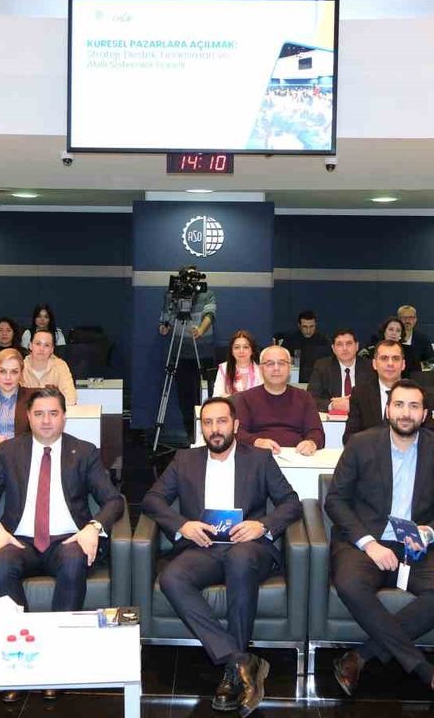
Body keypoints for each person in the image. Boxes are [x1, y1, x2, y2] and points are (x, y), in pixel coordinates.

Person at [142, 397, 302, 716]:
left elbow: (291, 502)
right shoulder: (185, 459)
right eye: (208, 423)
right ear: (201, 428)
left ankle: (232, 674)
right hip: (205, 547)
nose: (215, 429)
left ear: (235, 425)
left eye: (222, 421)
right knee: (172, 577)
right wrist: (183, 525)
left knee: (239, 560)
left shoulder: (259, 459)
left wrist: (262, 525)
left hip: (249, 547)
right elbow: (152, 499)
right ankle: (239, 660)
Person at [324, 380, 434, 717]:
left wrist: (429, 532)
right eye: (399, 405)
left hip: (415, 545)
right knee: (349, 583)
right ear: (388, 409)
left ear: (425, 413)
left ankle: (360, 656)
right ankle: (431, 676)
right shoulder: (361, 443)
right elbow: (336, 501)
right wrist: (368, 543)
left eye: (414, 406)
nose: (406, 413)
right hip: (366, 543)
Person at [0, 386, 124, 703]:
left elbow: (113, 500)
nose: (46, 420)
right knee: (1, 561)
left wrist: (93, 528)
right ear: (28, 416)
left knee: (74, 557)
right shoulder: (10, 451)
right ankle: (16, 658)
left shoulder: (84, 451)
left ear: (64, 417)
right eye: (39, 413)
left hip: (68, 539)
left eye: (53, 413)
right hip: (20, 540)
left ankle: (56, 660)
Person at [158, 269, 218, 440]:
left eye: (194, 278)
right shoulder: (172, 295)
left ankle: (208, 432)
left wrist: (201, 330)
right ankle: (190, 431)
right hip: (180, 354)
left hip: (203, 353)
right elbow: (165, 319)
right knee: (184, 395)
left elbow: (210, 314)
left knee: (206, 393)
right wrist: (164, 326)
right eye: (187, 278)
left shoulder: (207, 293)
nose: (190, 282)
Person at [233, 346, 324, 456]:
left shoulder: (304, 397)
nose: (276, 368)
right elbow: (238, 432)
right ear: (261, 369)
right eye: (270, 364)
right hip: (258, 456)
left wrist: (311, 443)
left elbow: (316, 432)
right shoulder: (246, 398)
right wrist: (257, 442)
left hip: (297, 456)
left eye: (281, 363)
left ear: (289, 368)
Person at [345, 340, 434, 443]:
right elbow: (349, 437)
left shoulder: (418, 394)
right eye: (384, 358)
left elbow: (433, 435)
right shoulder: (360, 394)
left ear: (403, 364)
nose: (390, 363)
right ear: (374, 364)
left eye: (395, 358)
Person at [307, 328, 375, 413]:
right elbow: (310, 399)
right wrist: (333, 405)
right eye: (339, 344)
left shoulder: (370, 367)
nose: (345, 348)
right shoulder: (323, 367)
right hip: (333, 418)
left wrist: (358, 404)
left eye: (349, 343)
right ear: (333, 348)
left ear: (357, 346)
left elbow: (378, 396)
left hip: (363, 416)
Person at [20, 327, 78, 405]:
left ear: (52, 349)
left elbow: (71, 398)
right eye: (38, 344)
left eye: (47, 345)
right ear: (30, 346)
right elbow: (17, 400)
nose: (41, 349)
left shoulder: (60, 366)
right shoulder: (20, 367)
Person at [277, 310, 328, 383]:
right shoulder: (290, 339)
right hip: (295, 380)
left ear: (315, 325)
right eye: (305, 327)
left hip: (319, 381)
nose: (308, 330)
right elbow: (280, 357)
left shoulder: (324, 341)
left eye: (311, 326)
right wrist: (288, 359)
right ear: (299, 326)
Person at [212, 329, 263, 397]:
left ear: (252, 351)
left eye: (246, 347)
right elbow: (217, 396)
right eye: (237, 347)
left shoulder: (260, 369)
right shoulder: (224, 368)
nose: (241, 351)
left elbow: (263, 397)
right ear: (232, 352)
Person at [397, 305, 434, 369]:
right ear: (398, 320)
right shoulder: (392, 337)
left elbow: (433, 362)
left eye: (411, 317)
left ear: (415, 320)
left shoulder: (422, 339)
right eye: (404, 318)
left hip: (415, 374)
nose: (407, 321)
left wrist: (418, 368)